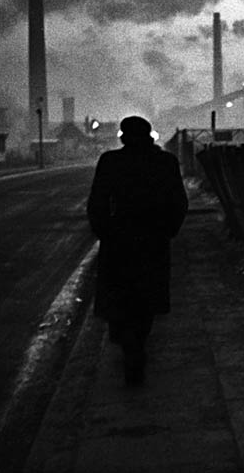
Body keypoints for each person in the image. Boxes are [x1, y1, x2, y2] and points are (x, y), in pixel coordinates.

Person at [87, 116, 188, 385]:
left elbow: (97, 203)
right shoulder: (165, 162)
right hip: (153, 239)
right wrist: (168, 231)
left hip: (119, 240)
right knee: (147, 299)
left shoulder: (110, 162)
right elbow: (179, 202)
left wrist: (105, 232)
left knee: (120, 297)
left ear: (122, 137)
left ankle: (129, 346)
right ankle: (137, 346)